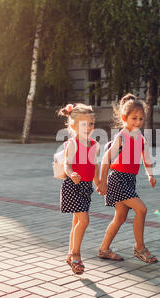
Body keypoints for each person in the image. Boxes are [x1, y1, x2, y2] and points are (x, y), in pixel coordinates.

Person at [97, 94, 158, 264]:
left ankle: (104, 249)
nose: (138, 122)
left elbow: (146, 159)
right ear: (124, 118)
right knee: (142, 209)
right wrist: (102, 181)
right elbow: (106, 159)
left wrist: (150, 175)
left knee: (120, 218)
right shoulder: (121, 137)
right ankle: (140, 248)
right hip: (118, 179)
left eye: (141, 119)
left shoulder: (141, 139)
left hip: (130, 180)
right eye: (134, 118)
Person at [58, 103, 100, 274]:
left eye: (91, 124)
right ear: (74, 126)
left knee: (76, 222)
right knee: (84, 221)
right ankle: (76, 255)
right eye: (84, 124)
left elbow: (94, 166)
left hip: (86, 187)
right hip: (73, 186)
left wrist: (99, 184)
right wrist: (71, 173)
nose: (89, 127)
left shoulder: (93, 144)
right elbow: (66, 165)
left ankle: (70, 254)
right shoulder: (73, 144)